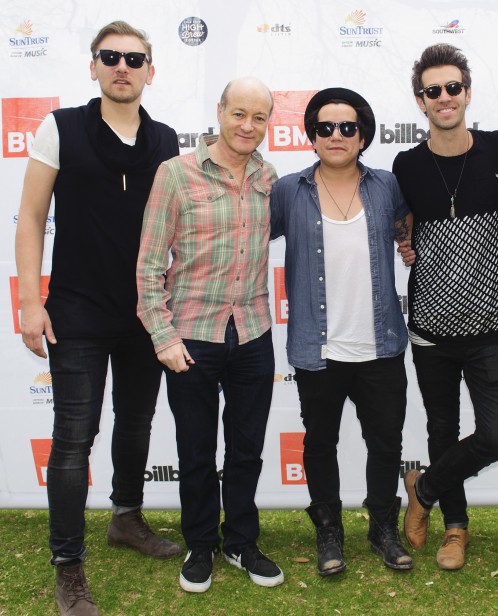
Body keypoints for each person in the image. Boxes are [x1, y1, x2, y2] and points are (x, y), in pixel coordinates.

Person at [14, 20, 181, 616]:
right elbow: (31, 218)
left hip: (144, 311)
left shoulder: (165, 141)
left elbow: (178, 229)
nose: (122, 67)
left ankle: (126, 518)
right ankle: (68, 567)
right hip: (76, 311)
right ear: (93, 67)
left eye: (134, 60)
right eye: (110, 57)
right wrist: (30, 303)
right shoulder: (61, 127)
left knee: (135, 425)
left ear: (150, 72)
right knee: (72, 440)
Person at [136, 77, 284, 593]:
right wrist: (163, 336)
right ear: (219, 112)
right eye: (238, 113)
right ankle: (201, 542)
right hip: (191, 336)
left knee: (247, 449)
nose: (248, 125)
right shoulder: (175, 174)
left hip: (253, 333)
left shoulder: (270, 177)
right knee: (196, 450)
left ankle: (242, 541)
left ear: (269, 122)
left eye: (259, 117)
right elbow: (150, 264)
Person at [270, 87, 414, 576]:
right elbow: (245, 232)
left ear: (363, 134)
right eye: (325, 127)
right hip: (318, 348)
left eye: (347, 127)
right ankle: (328, 529)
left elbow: (408, 229)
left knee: (386, 443)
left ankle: (382, 527)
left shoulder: (386, 186)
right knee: (319, 443)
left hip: (381, 345)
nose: (336, 135)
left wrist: (409, 243)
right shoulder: (288, 190)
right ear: (311, 134)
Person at [393, 43, 498, 571]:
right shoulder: (406, 164)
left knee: (496, 436)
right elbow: (402, 224)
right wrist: (406, 239)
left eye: (452, 87)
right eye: (432, 91)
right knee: (441, 430)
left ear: (466, 93)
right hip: (431, 329)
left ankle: (422, 489)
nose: (443, 98)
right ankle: (455, 527)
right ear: (419, 100)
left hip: (492, 326)